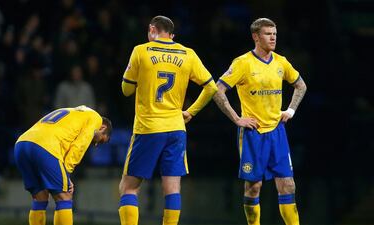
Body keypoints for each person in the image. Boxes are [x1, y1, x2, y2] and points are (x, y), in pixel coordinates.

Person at [119, 15, 218, 225]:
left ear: (152, 29)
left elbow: (126, 90)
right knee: (172, 189)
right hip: (176, 128)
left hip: (148, 127)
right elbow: (211, 87)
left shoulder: (141, 50)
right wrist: (191, 112)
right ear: (171, 34)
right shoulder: (188, 54)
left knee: (128, 187)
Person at [213, 18, 307, 225]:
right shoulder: (242, 63)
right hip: (253, 133)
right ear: (256, 36)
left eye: (274, 33)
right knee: (254, 187)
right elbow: (217, 91)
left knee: (288, 185)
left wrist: (290, 109)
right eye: (267, 33)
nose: (273, 37)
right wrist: (237, 118)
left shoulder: (281, 62)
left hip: (277, 131)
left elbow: (301, 85)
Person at [14, 105, 112, 225]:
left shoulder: (73, 112)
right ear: (102, 128)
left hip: (22, 144)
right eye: (101, 141)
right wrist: (67, 173)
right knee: (65, 196)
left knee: (40, 197)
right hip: (45, 146)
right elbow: (79, 146)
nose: (96, 144)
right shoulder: (95, 117)